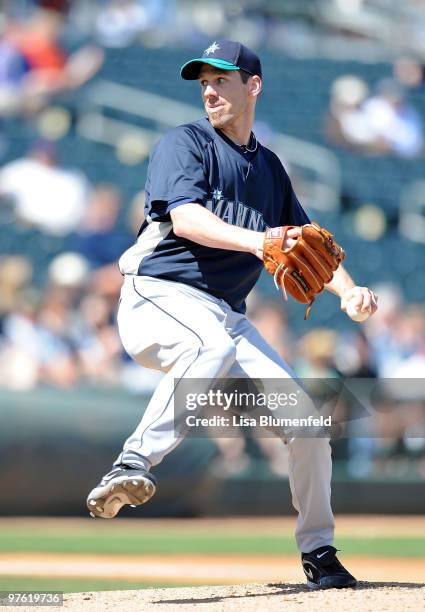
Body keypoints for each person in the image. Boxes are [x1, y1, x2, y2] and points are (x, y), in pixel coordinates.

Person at [86, 40, 378, 589]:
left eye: (222, 80)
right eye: (204, 82)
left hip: (223, 314)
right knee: (209, 347)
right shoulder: (184, 144)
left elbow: (307, 242)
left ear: (254, 86)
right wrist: (258, 240)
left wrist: (347, 289)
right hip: (157, 295)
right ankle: (131, 463)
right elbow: (190, 219)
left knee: (308, 428)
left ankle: (319, 552)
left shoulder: (269, 169)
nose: (210, 91)